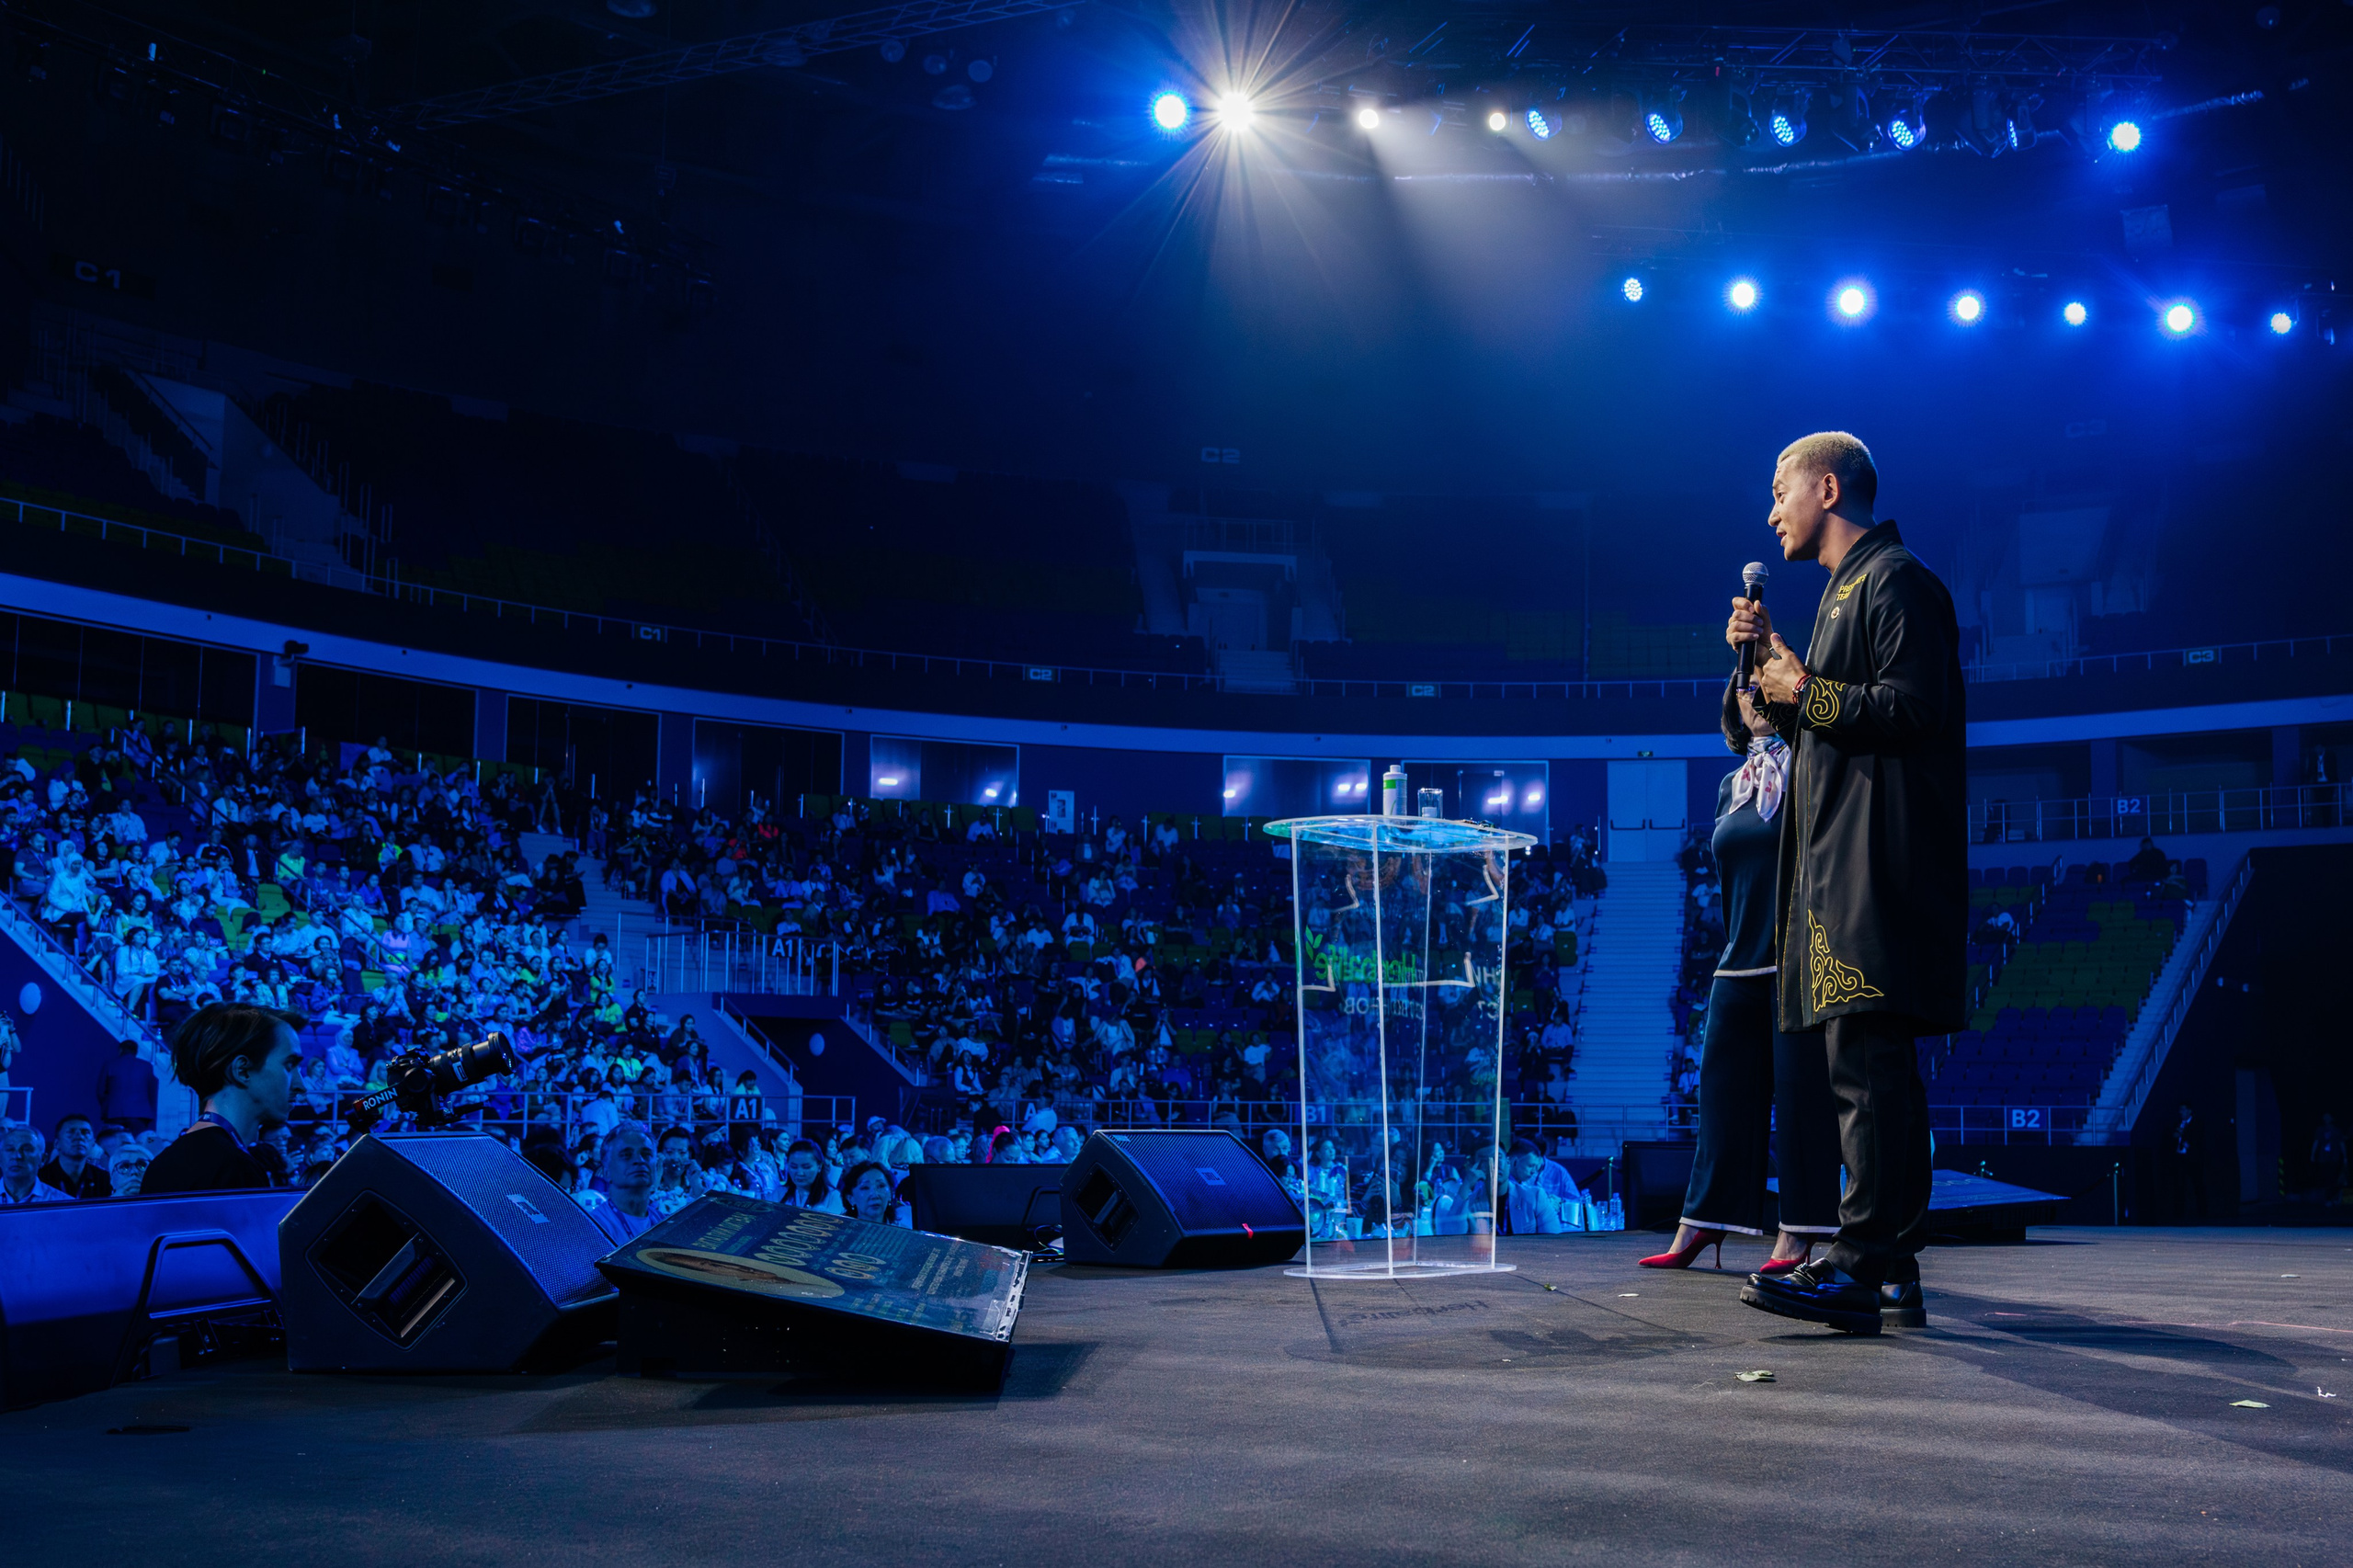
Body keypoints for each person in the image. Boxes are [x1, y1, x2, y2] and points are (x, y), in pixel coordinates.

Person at [1726, 432, 1966, 1335]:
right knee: (1873, 1074)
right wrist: (1769, 683)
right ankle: (1893, 1264)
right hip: (1845, 863)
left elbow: (1913, 708)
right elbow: (1820, 723)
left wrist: (1806, 691)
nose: (1771, 509)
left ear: (1827, 488)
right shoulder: (1844, 593)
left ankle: (1858, 1265)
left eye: (1780, 488)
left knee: (1867, 1072)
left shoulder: (1896, 580)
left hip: (1880, 866)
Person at [1642, 682, 1842, 1274]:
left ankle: (1800, 1233)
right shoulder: (1732, 784)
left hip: (1800, 959)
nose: (1751, 695)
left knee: (1803, 1101)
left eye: (1761, 687)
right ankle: (1703, 1223)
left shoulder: (1812, 765)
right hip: (1738, 959)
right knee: (1722, 1095)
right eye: (1742, 689)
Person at [142, 1004, 301, 1196]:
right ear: (242, 1071)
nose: (301, 1085)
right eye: (289, 1065)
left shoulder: (163, 1163)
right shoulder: (235, 1168)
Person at [586, 1121, 663, 1244]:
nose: (639, 1160)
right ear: (606, 1172)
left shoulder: (665, 1223)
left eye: (646, 1154)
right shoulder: (594, 1227)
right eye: (626, 1155)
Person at [39, 1111, 110, 1199]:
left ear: (93, 1144)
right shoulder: (40, 1179)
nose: (79, 1136)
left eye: (85, 1132)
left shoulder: (104, 1179)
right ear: (57, 1144)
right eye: (71, 1132)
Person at [97, 1038, 158, 1132]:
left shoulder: (110, 1064)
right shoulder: (147, 1067)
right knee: (138, 1143)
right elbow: (152, 1092)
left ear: (120, 1050)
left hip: (114, 1113)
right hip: (140, 1114)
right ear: (136, 1051)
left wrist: (107, 1104)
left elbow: (100, 1091)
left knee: (114, 1142)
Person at [0, 1122, 71, 1205]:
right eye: (10, 1149)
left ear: (43, 1159)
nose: (17, 1156)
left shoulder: (63, 1204)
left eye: (26, 1149)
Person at [840, 1160, 909, 1226]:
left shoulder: (904, 1234)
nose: (875, 1195)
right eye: (865, 1188)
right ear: (851, 1198)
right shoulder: (840, 1234)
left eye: (881, 1186)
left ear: (890, 1194)